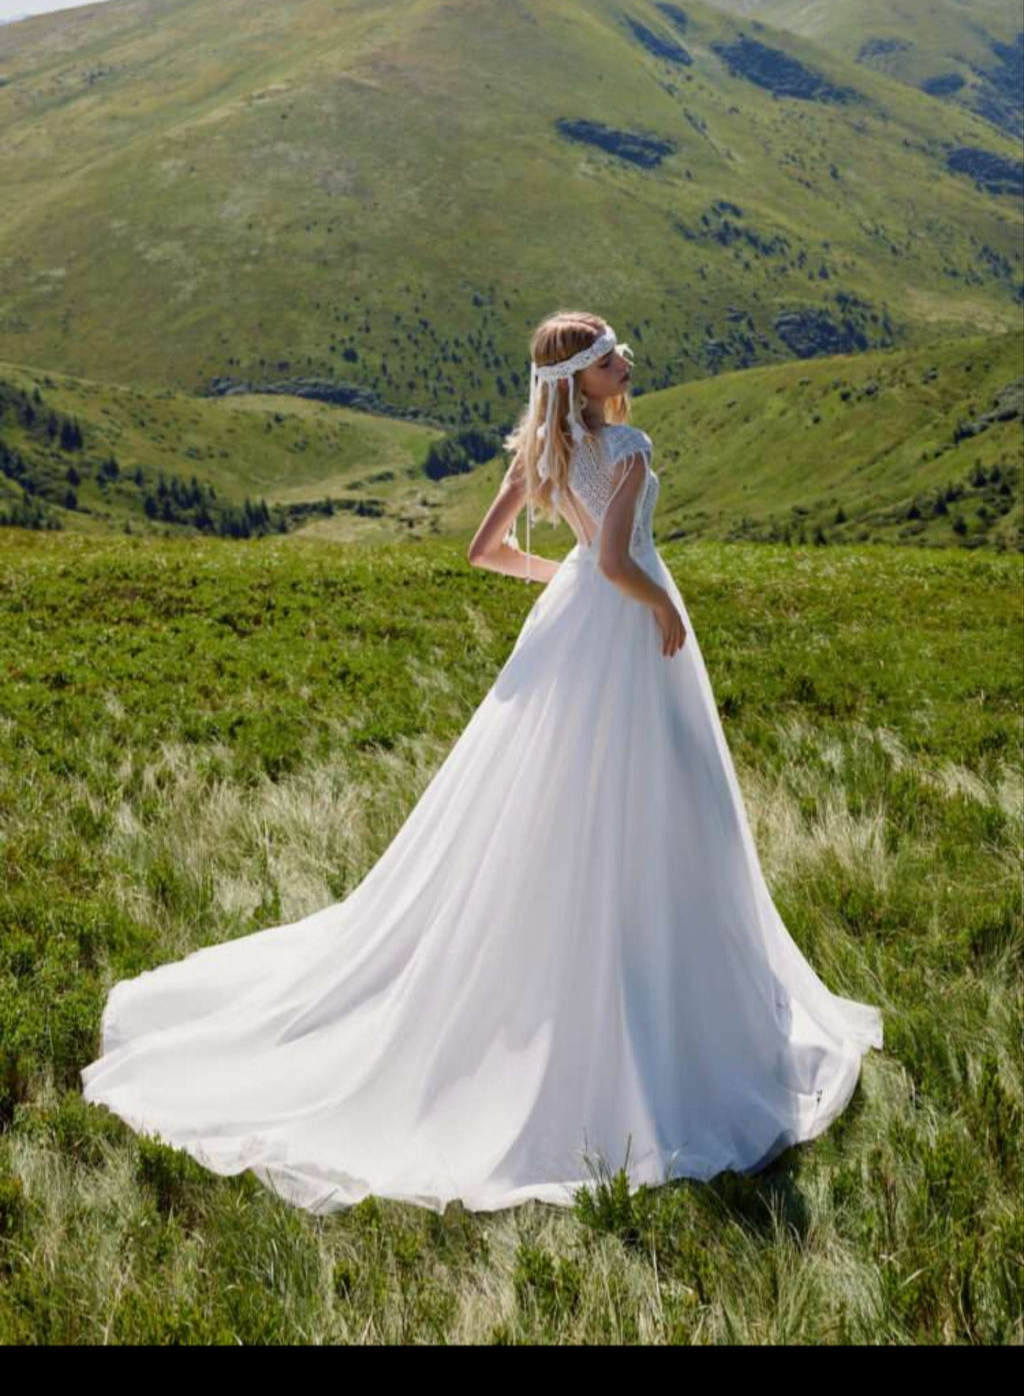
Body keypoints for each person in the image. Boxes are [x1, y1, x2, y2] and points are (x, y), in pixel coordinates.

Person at [80, 310, 883, 1216]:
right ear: (580, 378)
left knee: (555, 802)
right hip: (623, 630)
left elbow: (487, 551)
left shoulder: (540, 453)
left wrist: (568, 582)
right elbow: (617, 558)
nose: (627, 360)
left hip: (572, 627)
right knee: (661, 801)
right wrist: (655, 603)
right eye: (610, 355)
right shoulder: (629, 446)